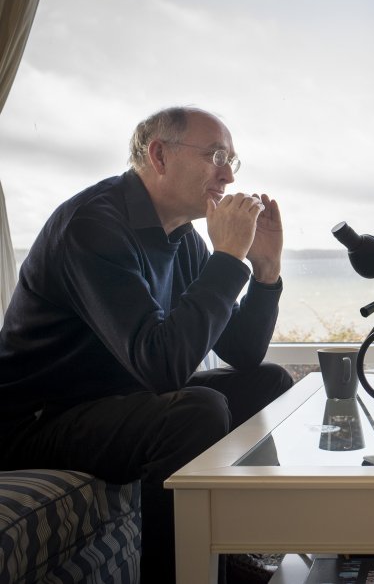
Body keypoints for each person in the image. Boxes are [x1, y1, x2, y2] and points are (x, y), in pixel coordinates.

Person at [0, 106, 294, 583]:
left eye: (232, 161)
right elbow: (161, 366)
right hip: (35, 421)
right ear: (159, 154)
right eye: (216, 155)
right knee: (196, 410)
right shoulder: (94, 225)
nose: (227, 173)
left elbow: (243, 353)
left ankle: (237, 548)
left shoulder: (181, 237)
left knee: (270, 383)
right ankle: (179, 573)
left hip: (112, 399)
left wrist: (265, 271)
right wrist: (226, 258)